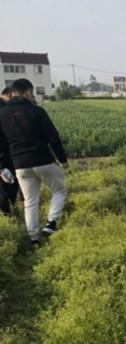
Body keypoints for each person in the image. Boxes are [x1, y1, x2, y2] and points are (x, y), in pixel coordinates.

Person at [0, 79, 68, 247]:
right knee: (59, 190)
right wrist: (63, 159)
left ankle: (34, 240)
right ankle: (51, 223)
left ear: (12, 92)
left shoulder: (2, 115)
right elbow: (53, 137)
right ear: (28, 92)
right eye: (32, 93)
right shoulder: (37, 111)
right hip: (42, 160)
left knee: (30, 202)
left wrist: (2, 166)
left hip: (20, 165)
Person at [0, 86, 20, 216]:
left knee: (8, 187)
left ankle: (10, 213)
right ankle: (9, 213)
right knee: (9, 187)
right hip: (5, 155)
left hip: (5, 154)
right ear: (9, 95)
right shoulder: (4, 109)